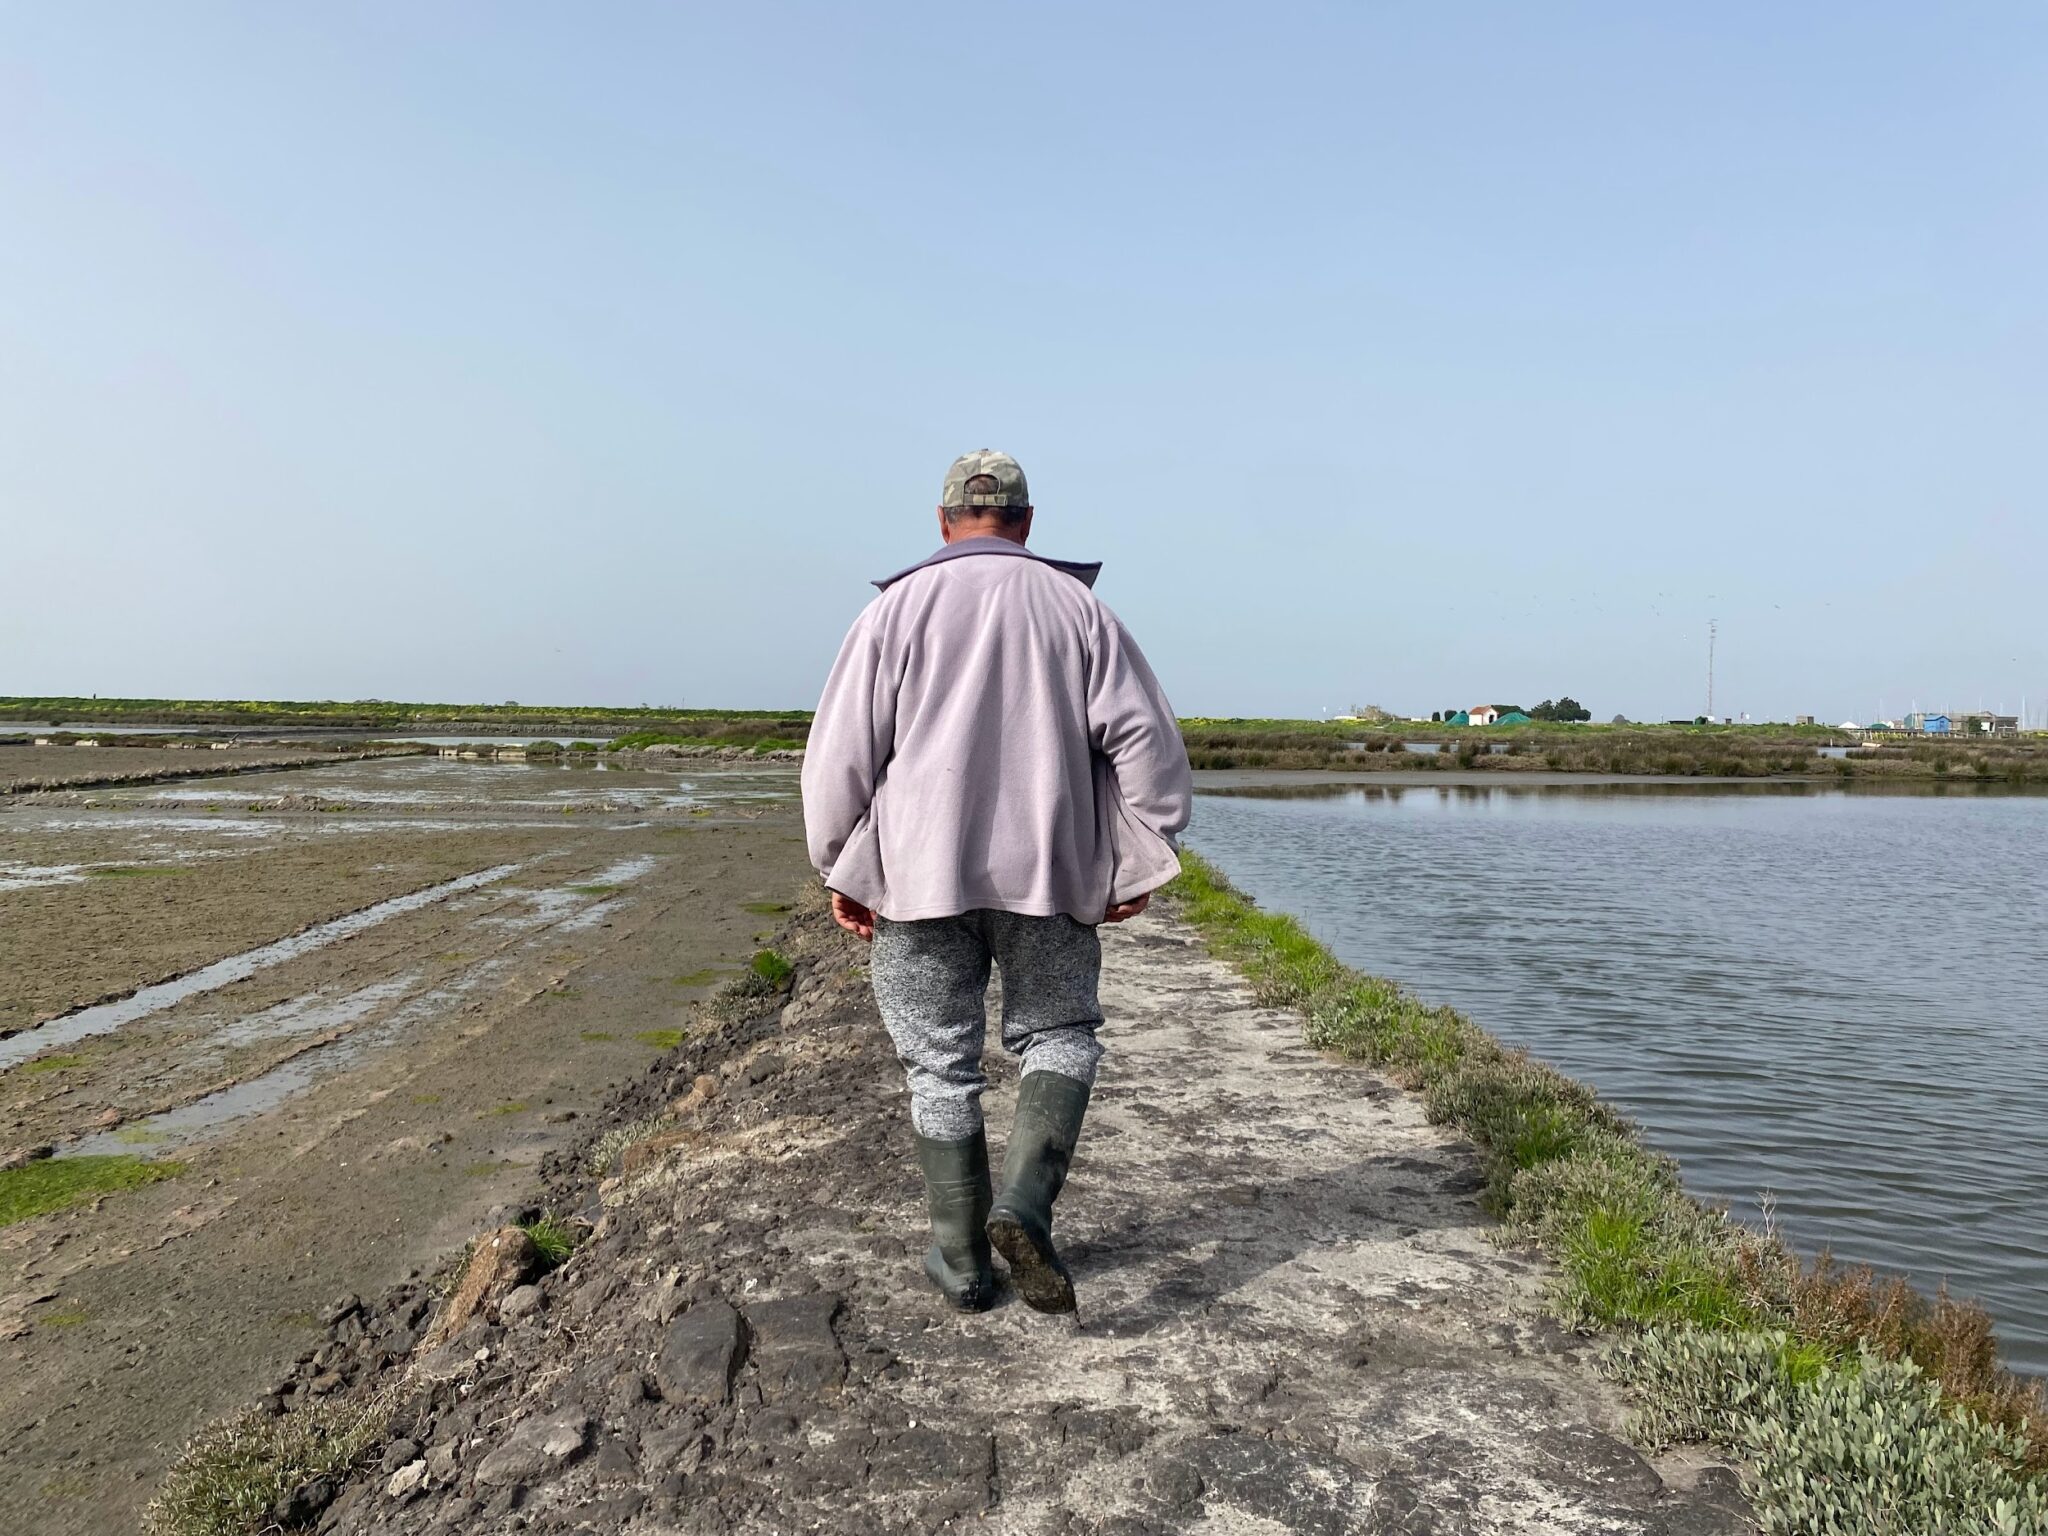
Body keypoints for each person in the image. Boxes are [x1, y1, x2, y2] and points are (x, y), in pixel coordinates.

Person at [801, 449, 1193, 1315]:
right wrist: (1139, 850)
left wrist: (843, 864)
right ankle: (1024, 1207)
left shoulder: (893, 613)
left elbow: (838, 759)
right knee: (1058, 1034)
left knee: (940, 1063)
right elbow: (1150, 747)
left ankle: (963, 1260)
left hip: (917, 878)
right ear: (1025, 523)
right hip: (1051, 875)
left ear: (943, 523)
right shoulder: (1080, 611)